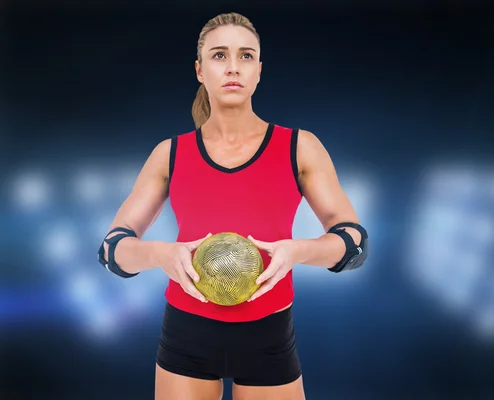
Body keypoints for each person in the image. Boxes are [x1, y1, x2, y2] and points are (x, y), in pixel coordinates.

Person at [97, 12, 369, 400]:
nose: (232, 68)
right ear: (199, 70)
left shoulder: (299, 146)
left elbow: (354, 242)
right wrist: (160, 254)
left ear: (259, 70)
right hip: (186, 336)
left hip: (269, 338)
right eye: (219, 55)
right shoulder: (170, 154)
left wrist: (297, 251)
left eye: (245, 56)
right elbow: (111, 249)